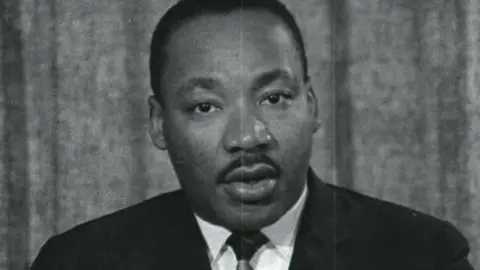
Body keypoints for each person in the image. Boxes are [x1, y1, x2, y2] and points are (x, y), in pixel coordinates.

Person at [31, 0, 474, 269]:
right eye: (205, 106)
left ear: (312, 107)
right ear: (158, 124)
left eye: (276, 98)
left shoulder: (420, 256)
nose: (248, 137)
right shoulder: (80, 262)